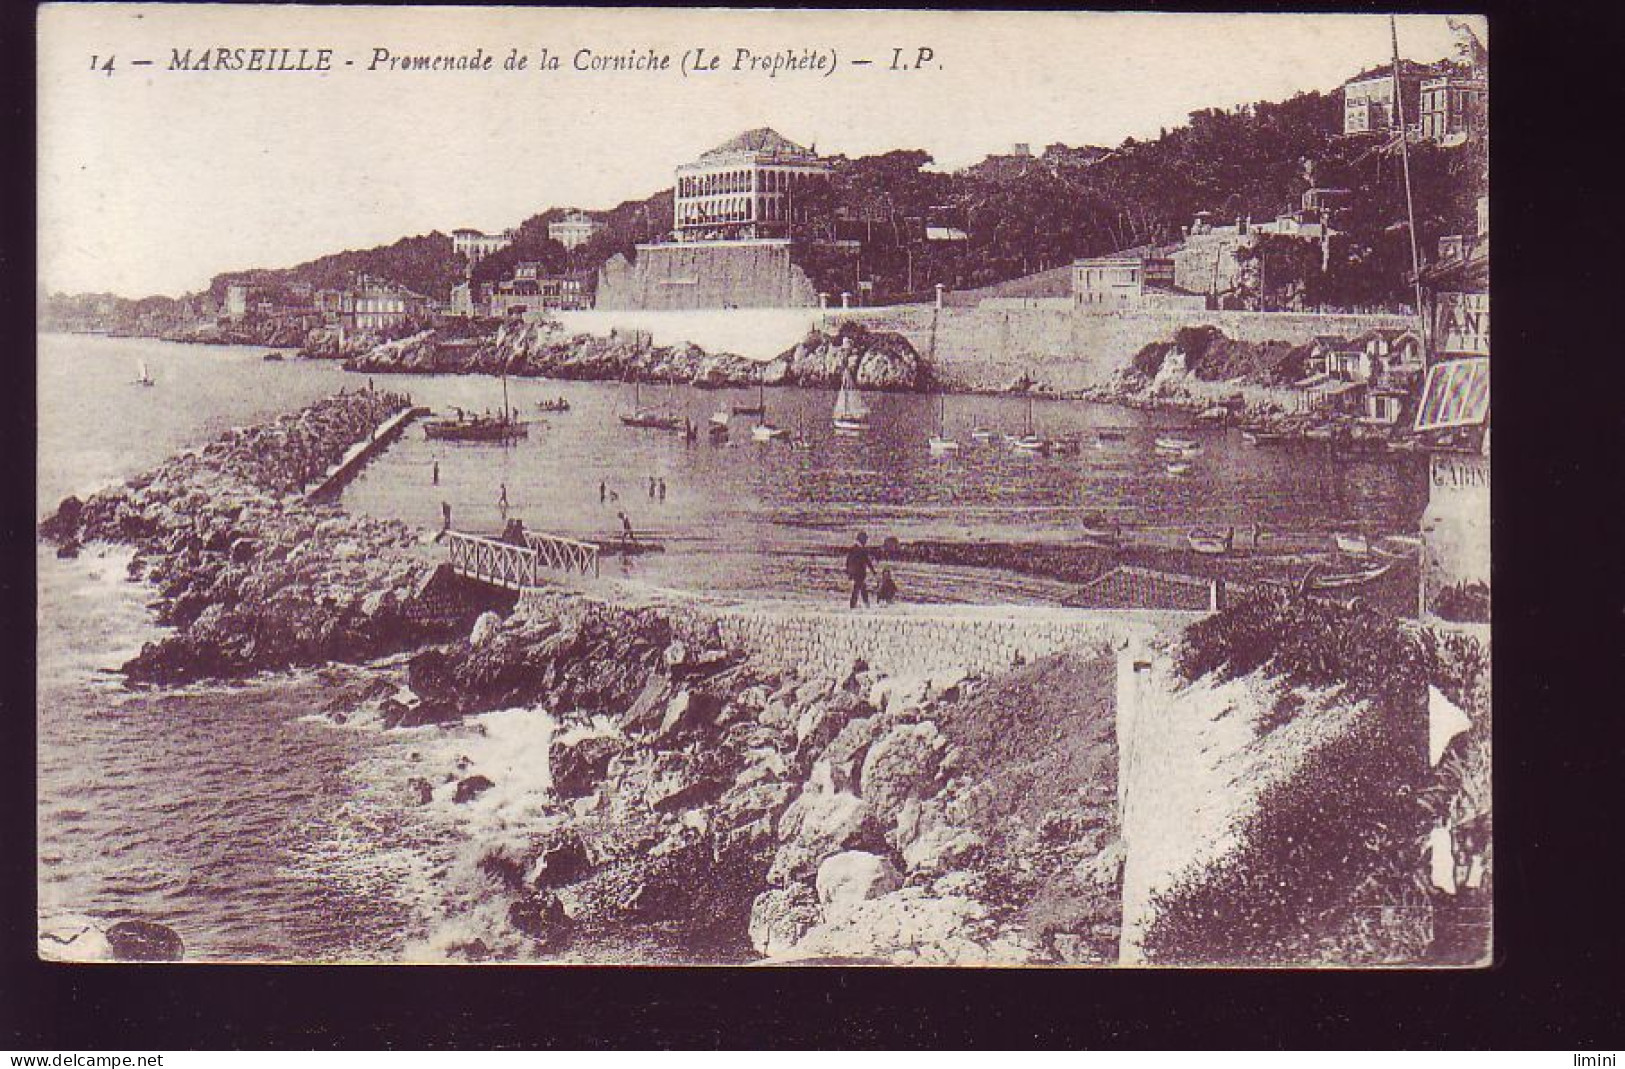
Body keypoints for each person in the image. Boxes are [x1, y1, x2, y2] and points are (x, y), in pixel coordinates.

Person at [845, 532, 873, 609]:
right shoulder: (858, 549)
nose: (866, 541)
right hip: (858, 573)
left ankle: (862, 604)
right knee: (858, 589)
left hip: (858, 573)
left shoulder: (856, 549)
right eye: (865, 539)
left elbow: (866, 561)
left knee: (860, 588)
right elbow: (866, 561)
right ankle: (857, 604)